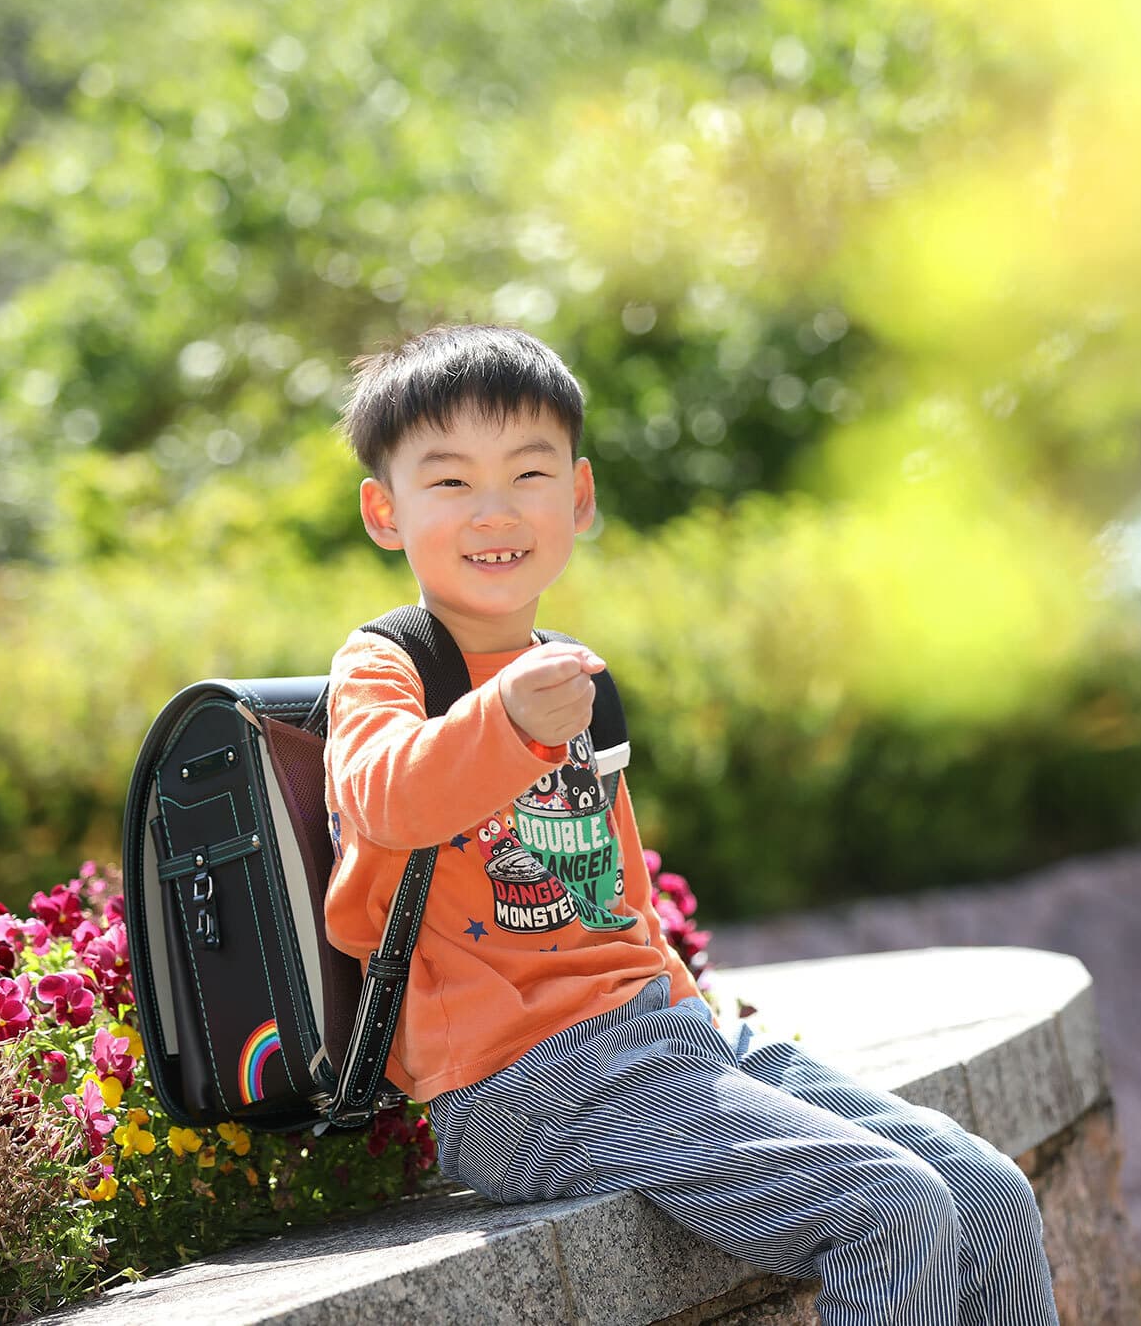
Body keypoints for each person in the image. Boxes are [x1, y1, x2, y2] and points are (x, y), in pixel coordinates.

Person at [322, 323, 1059, 1325]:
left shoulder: (573, 671)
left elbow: (613, 900)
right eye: (448, 483)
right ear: (384, 511)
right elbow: (383, 793)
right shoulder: (386, 665)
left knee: (984, 1190)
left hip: (656, 1038)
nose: (493, 510)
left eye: (527, 473)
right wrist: (500, 721)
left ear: (576, 498)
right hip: (519, 1082)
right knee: (888, 1207)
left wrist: (685, 1014)